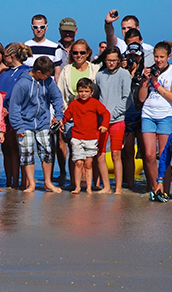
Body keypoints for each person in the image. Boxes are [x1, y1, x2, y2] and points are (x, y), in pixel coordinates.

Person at [9, 56, 63, 193]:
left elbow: (57, 97)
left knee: (47, 152)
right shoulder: (22, 84)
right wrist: (18, 126)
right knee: (27, 153)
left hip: (43, 122)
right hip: (24, 124)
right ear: (38, 72)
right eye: (47, 74)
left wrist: (58, 115)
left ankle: (48, 182)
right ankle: (31, 184)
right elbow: (14, 106)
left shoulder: (48, 82)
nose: (49, 76)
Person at [138, 41, 172, 191]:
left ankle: (166, 190)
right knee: (149, 155)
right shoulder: (150, 71)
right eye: (156, 57)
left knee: (164, 157)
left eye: (162, 57)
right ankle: (155, 188)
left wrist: (156, 84)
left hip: (165, 115)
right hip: (148, 114)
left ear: (169, 56)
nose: (158, 60)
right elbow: (141, 98)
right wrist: (145, 81)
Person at [57, 39, 100, 188]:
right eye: (75, 53)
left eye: (82, 52)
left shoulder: (95, 69)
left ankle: (91, 183)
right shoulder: (66, 70)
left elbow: (100, 92)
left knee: (90, 152)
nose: (79, 55)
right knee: (73, 149)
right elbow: (60, 93)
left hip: (90, 115)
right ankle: (74, 183)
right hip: (71, 113)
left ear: (88, 53)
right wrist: (60, 117)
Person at [61, 78, 110, 194]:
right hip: (77, 137)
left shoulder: (95, 103)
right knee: (78, 162)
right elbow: (66, 116)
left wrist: (104, 125)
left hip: (91, 138)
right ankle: (77, 187)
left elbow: (106, 114)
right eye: (81, 91)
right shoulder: (74, 104)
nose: (83, 94)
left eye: (86, 91)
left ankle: (88, 187)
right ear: (77, 92)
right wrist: (59, 122)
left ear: (91, 92)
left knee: (88, 163)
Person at [0, 42, 32, 188]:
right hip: (3, 115)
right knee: (7, 149)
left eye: (5, 56)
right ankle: (10, 181)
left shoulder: (25, 72)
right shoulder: (5, 73)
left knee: (17, 151)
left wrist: (9, 109)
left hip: (17, 115)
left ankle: (19, 182)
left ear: (11, 56)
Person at [96, 46, 131, 194]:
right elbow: (96, 97)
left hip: (117, 120)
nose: (111, 63)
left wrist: (112, 114)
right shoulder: (99, 75)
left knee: (116, 154)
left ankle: (118, 189)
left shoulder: (124, 74)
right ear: (105, 60)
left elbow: (126, 98)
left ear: (119, 60)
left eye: (114, 60)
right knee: (100, 154)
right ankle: (106, 187)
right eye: (109, 60)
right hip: (101, 121)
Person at [121, 42, 150, 189]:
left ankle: (150, 184)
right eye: (130, 56)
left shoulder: (145, 73)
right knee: (128, 152)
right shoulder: (121, 72)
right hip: (127, 116)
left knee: (146, 153)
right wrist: (124, 69)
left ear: (141, 57)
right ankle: (130, 185)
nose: (133, 59)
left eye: (135, 56)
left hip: (142, 115)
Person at [24, 14, 62, 82]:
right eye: (35, 27)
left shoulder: (55, 48)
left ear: (46, 27)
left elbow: (57, 75)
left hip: (48, 89)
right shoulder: (24, 47)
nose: (39, 30)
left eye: (42, 27)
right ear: (31, 27)